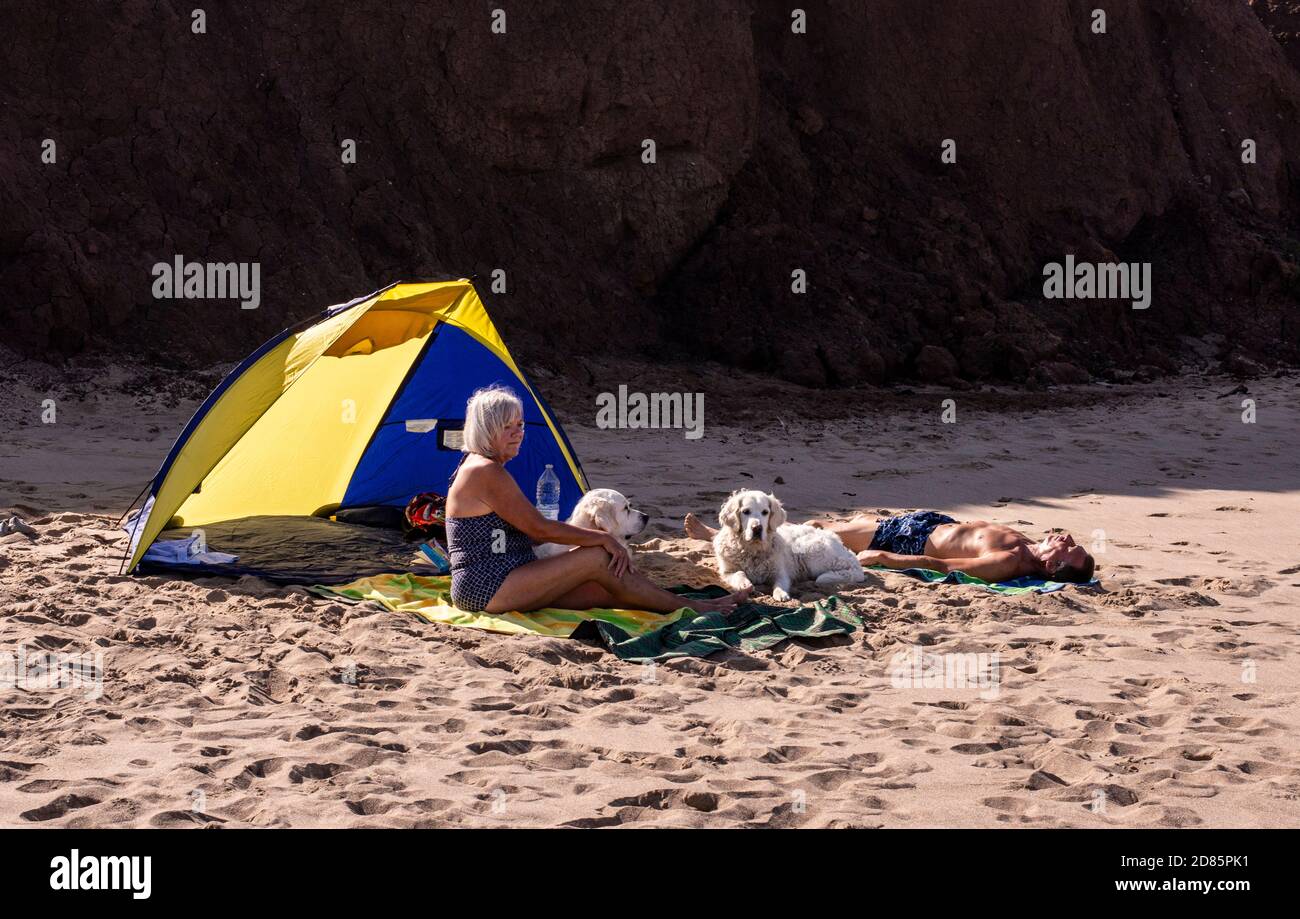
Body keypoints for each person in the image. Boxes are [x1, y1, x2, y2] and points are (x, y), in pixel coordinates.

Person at [445, 385, 748, 615]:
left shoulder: (484, 467)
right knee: (599, 558)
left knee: (603, 590)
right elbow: (539, 529)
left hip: (508, 575)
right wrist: (602, 539)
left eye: (520, 425)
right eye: (506, 427)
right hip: (487, 587)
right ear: (486, 430)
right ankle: (689, 607)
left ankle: (677, 604)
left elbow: (527, 533)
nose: (517, 434)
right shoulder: (484, 471)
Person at [684, 509, 1095, 584]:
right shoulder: (1028, 543)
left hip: (909, 539)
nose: (1066, 538)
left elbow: (944, 566)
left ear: (1053, 567)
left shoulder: (1010, 561)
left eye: (1068, 549)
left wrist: (886, 558)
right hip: (930, 523)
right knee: (828, 525)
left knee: (817, 534)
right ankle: (728, 535)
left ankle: (723, 537)